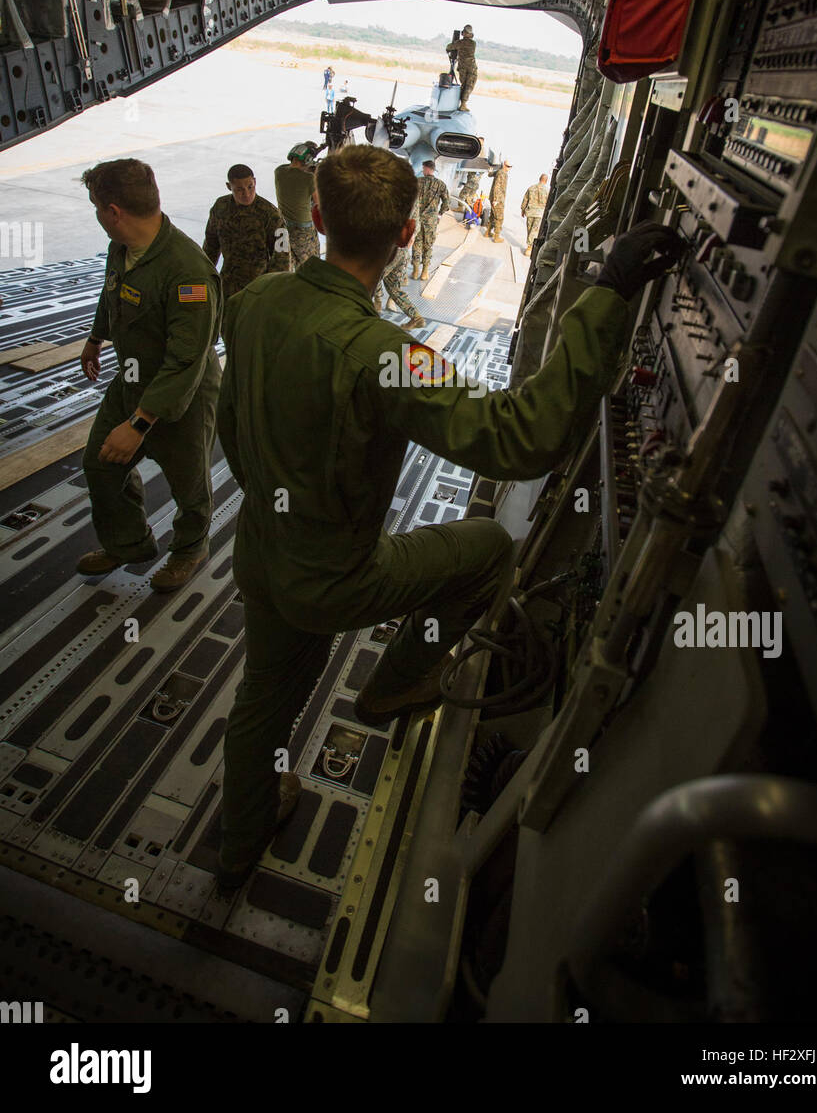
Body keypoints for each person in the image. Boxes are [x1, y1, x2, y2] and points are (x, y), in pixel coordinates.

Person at [215, 144, 684, 891]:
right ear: (407, 235)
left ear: (318, 216)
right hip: (333, 579)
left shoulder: (252, 303)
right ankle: (396, 683)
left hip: (262, 557)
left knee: (259, 711)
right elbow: (518, 436)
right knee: (488, 548)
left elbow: (230, 433)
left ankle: (236, 847)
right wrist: (608, 291)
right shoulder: (387, 353)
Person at [77, 158, 222, 593]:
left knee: (188, 484)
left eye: (97, 207)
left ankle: (190, 548)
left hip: (183, 395)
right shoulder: (121, 248)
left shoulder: (188, 272)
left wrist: (139, 424)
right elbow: (112, 293)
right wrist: (95, 338)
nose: (98, 215)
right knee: (100, 465)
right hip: (131, 378)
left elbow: (185, 361)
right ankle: (130, 543)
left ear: (114, 211)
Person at [203, 164, 289, 299]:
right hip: (228, 286)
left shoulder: (270, 214)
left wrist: (273, 291)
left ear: (255, 182)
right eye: (239, 189)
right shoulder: (220, 207)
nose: (247, 194)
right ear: (228, 186)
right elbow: (211, 246)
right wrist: (204, 276)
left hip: (258, 288)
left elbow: (282, 256)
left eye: (250, 187)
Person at [274, 142, 322, 270]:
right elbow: (318, 203)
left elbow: (292, 169)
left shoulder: (278, 172)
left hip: (284, 226)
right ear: (307, 160)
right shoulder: (309, 179)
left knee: (290, 264)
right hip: (303, 232)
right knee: (312, 267)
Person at [411, 160, 449, 281]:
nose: (422, 171)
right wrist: (440, 214)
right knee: (428, 245)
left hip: (417, 219)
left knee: (416, 244)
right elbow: (446, 202)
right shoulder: (441, 184)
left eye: (423, 168)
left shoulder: (417, 182)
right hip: (431, 221)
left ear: (427, 169)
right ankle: (425, 272)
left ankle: (415, 271)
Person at [446, 25, 477, 110]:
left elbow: (449, 47)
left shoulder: (460, 43)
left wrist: (454, 44)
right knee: (469, 85)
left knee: (464, 85)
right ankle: (463, 104)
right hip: (472, 67)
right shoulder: (473, 43)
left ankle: (461, 104)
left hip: (462, 67)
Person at [521, 172, 549, 256]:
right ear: (546, 181)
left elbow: (525, 199)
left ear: (539, 179)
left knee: (529, 229)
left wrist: (523, 210)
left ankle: (529, 246)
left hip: (530, 212)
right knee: (534, 230)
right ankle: (529, 248)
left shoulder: (531, 188)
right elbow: (548, 204)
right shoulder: (547, 191)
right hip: (539, 214)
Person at [486, 159, 511, 243]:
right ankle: (496, 237)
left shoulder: (499, 171)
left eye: (510, 167)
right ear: (504, 164)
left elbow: (490, 174)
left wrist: (490, 170)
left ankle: (487, 232)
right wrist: (496, 199)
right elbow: (497, 186)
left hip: (494, 198)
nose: (509, 168)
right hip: (498, 200)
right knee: (499, 218)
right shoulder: (502, 173)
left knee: (493, 216)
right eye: (508, 166)